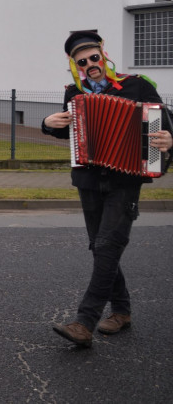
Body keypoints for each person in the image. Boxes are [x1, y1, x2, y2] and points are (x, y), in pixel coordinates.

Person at [42, 30, 172, 347]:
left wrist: (170, 140)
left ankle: (84, 322)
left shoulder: (137, 85)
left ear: (103, 54)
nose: (89, 64)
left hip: (125, 179)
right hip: (88, 178)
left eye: (93, 57)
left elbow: (165, 122)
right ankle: (123, 312)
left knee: (108, 245)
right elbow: (69, 133)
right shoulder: (74, 93)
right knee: (100, 246)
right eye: (81, 61)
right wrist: (48, 123)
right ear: (75, 65)